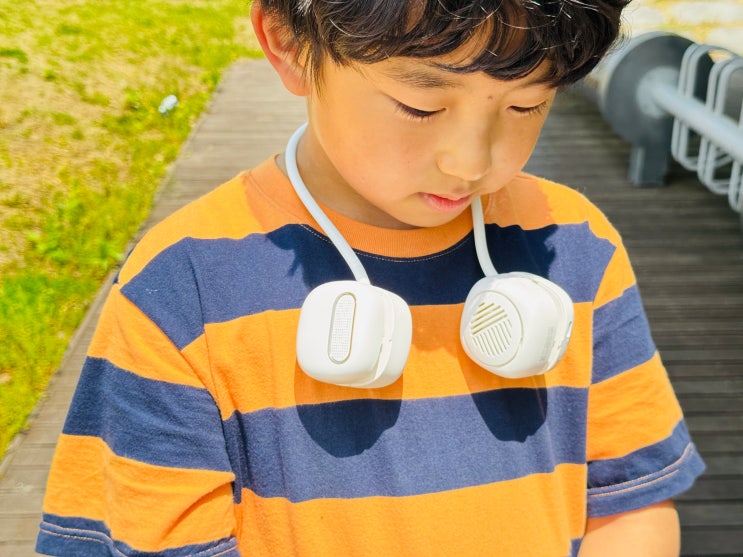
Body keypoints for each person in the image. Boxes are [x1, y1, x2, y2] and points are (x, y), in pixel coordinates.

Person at [37, 1, 705, 556]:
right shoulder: (182, 286)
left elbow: (632, 503)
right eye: (420, 106)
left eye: (526, 105)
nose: (470, 162)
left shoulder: (573, 244)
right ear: (289, 42)